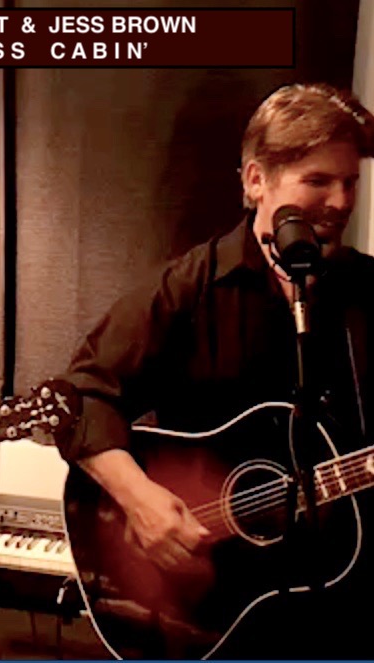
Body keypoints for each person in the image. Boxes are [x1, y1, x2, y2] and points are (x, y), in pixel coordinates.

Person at [57, 83, 374, 659]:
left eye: (350, 182)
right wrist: (139, 499)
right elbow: (79, 397)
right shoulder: (188, 289)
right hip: (215, 613)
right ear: (256, 181)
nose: (341, 201)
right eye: (318, 181)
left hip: (349, 609)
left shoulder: (368, 291)